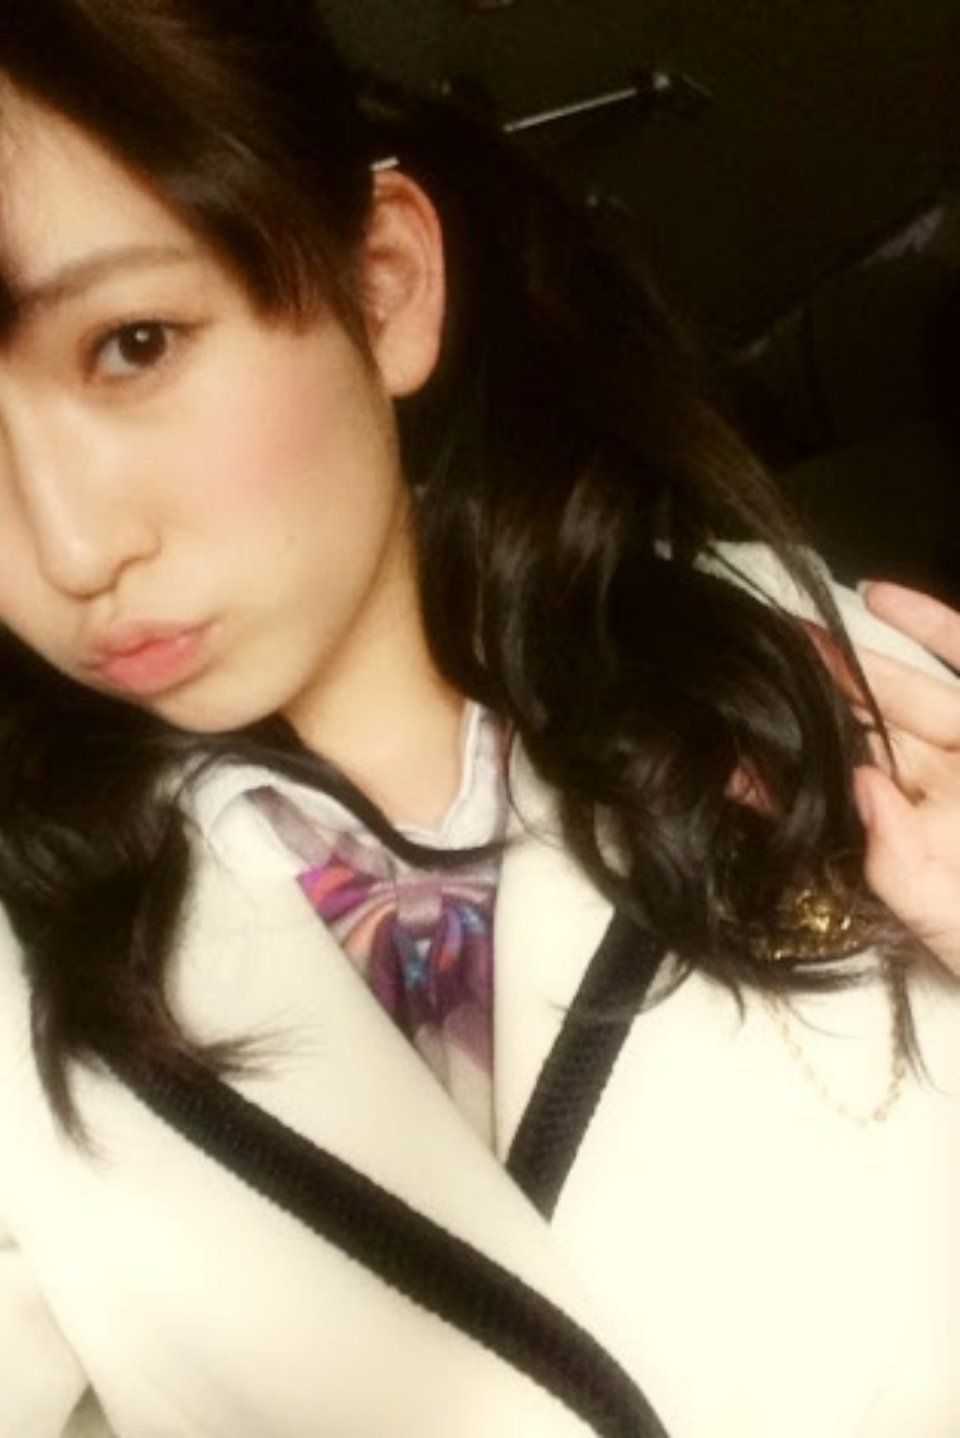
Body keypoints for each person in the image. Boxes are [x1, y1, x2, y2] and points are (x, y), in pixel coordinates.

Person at [0, 4, 957, 1436]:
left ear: (385, 285)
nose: (67, 549)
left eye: (135, 343)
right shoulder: (27, 953)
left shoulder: (799, 670)